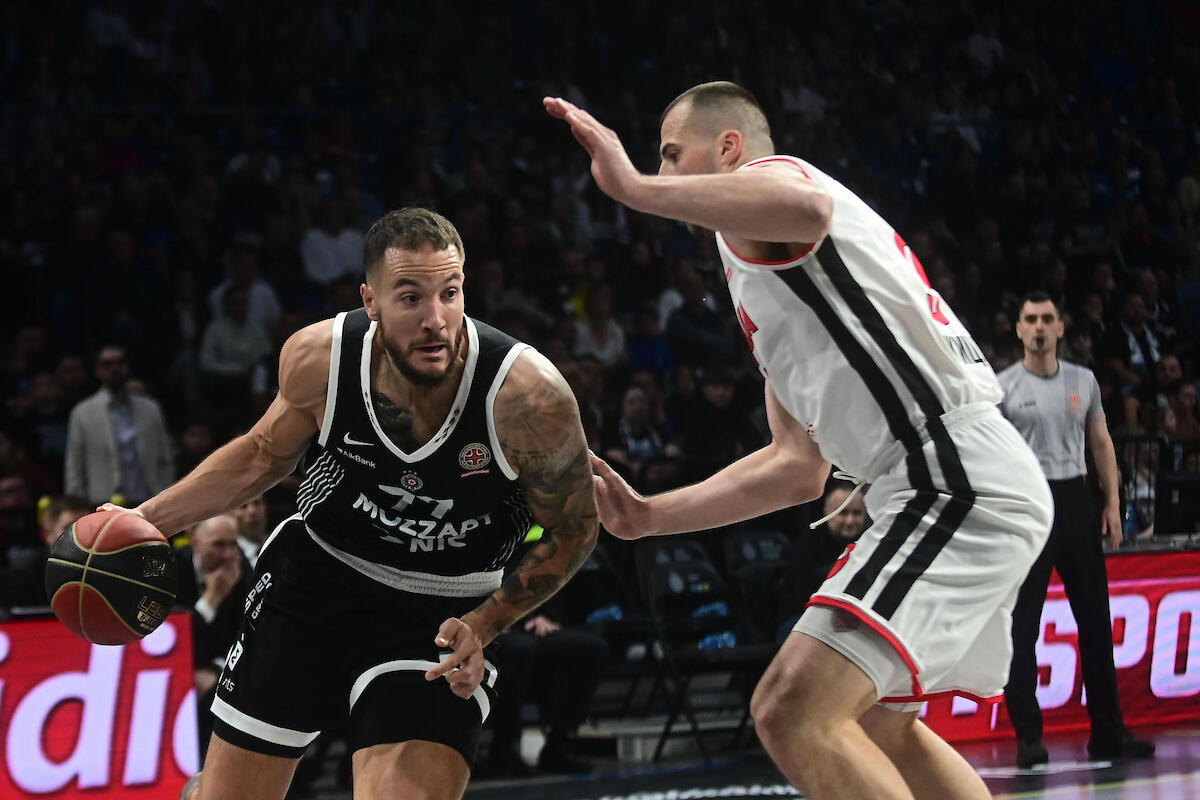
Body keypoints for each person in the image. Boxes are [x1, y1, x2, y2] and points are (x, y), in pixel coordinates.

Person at [547, 82, 1052, 800]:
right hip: (942, 479)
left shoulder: (778, 184)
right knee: (875, 725)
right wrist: (650, 517)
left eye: (671, 154)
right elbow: (795, 468)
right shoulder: (763, 273)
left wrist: (630, 187)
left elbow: (804, 207)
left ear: (729, 149)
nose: (661, 172)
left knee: (791, 709)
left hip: (950, 476)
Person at [106, 207, 597, 800]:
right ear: (371, 301)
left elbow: (574, 528)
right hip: (318, 580)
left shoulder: (527, 396)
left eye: (450, 293)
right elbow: (262, 455)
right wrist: (143, 520)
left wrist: (486, 623)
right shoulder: (323, 359)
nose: (435, 319)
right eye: (410, 298)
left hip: (444, 609)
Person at [998, 292, 1156, 768]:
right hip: (1028, 503)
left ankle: (1109, 733)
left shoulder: (1083, 381)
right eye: (1031, 319)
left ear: (1061, 328)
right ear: (1019, 329)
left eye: (1047, 318)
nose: (1039, 326)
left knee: (1096, 624)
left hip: (1074, 499)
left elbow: (1102, 442)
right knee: (1022, 626)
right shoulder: (1002, 387)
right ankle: (1028, 737)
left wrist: (1113, 502)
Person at [174, 514, 254, 759]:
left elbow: (248, 633)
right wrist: (212, 599)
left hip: (220, 669)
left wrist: (218, 670)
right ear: (195, 540)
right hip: (175, 669)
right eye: (219, 545)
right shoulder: (172, 568)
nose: (228, 554)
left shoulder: (242, 570)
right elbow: (171, 637)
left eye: (233, 544)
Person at [64, 345, 175, 506]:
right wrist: (76, 499)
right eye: (107, 364)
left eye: (120, 362)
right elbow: (75, 462)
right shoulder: (83, 413)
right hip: (103, 501)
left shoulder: (150, 408)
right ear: (97, 371)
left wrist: (165, 490)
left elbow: (165, 456)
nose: (114, 368)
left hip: (148, 498)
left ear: (127, 367)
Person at [232, 493, 269, 567]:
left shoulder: (280, 545)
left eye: (257, 503)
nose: (252, 511)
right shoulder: (229, 556)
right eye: (243, 506)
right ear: (231, 514)